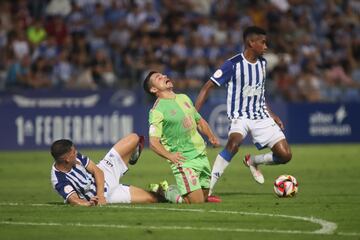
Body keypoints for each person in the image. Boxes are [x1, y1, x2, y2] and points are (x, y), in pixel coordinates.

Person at [195, 26, 292, 195]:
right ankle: (207, 190)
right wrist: (194, 114)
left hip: (261, 116)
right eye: (262, 43)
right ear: (251, 42)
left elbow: (259, 94)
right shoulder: (232, 65)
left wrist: (272, 114)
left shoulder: (263, 64)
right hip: (240, 116)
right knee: (234, 144)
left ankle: (254, 161)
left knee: (285, 155)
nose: (266, 47)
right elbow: (206, 87)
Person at [143, 71, 221, 203]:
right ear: (153, 89)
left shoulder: (184, 98)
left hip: (201, 154)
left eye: (163, 74)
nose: (164, 76)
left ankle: (169, 190)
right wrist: (170, 156)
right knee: (197, 202)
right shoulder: (157, 110)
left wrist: (211, 136)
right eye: (158, 78)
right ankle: (166, 192)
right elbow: (153, 143)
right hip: (183, 160)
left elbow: (199, 120)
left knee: (204, 197)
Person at [50, 133, 165, 206]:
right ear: (66, 159)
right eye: (73, 152)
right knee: (152, 198)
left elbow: (97, 171)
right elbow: (74, 200)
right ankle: (158, 190)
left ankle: (132, 157)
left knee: (134, 138)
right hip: (109, 195)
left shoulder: (76, 158)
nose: (76, 153)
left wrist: (100, 196)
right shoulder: (59, 179)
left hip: (105, 173)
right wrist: (89, 203)